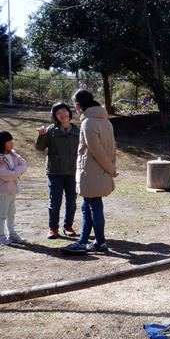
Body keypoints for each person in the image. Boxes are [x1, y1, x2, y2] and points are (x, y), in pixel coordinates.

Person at [63, 89, 118, 255]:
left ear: (78, 105)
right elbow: (112, 148)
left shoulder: (88, 122)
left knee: (93, 206)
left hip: (92, 172)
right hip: (100, 171)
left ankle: (98, 242)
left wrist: (111, 169)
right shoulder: (105, 121)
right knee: (88, 206)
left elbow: (97, 151)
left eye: (74, 104)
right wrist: (110, 168)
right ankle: (88, 241)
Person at [35, 102, 81, 239]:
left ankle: (68, 226)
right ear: (55, 116)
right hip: (55, 172)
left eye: (64, 111)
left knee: (71, 202)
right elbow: (39, 148)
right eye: (58, 113)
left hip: (73, 171)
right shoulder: (50, 130)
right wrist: (41, 135)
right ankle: (53, 228)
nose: (62, 114)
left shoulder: (77, 131)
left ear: (69, 112)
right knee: (55, 202)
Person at [0, 130, 28, 246]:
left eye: (11, 140)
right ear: (1, 143)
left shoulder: (12, 154)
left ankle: (12, 234)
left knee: (11, 213)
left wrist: (16, 172)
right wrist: (17, 171)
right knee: (2, 214)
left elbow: (24, 164)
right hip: (2, 190)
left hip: (12, 188)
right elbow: (6, 175)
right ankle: (0, 236)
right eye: (8, 141)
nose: (11, 143)